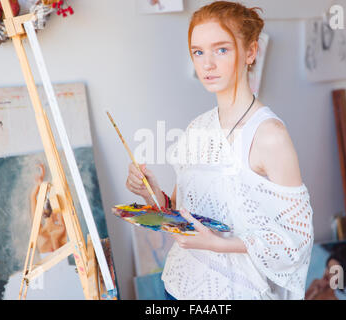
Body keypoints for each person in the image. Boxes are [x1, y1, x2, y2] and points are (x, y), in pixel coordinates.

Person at [126, 1, 314, 300]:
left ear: (251, 52)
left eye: (221, 49)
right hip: (178, 288)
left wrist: (221, 244)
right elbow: (180, 212)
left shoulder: (269, 136)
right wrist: (149, 192)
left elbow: (296, 242)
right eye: (198, 52)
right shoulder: (196, 129)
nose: (207, 64)